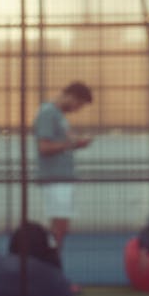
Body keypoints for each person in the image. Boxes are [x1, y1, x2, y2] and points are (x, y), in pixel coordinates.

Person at [33, 81, 94, 250]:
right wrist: (70, 144)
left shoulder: (58, 115)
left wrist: (77, 143)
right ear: (71, 97)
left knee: (60, 227)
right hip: (55, 178)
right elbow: (43, 147)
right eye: (79, 104)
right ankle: (52, 263)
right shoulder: (48, 113)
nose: (78, 109)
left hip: (62, 178)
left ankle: (52, 262)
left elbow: (62, 142)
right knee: (59, 227)